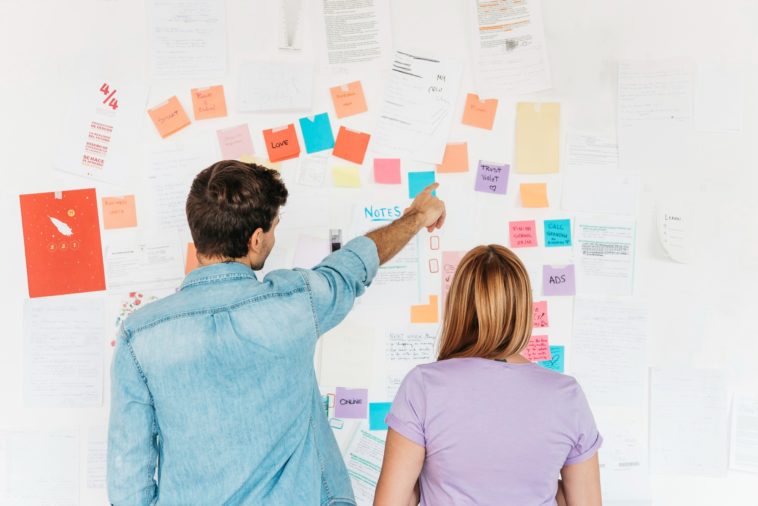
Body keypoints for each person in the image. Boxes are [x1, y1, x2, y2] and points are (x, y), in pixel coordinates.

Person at [107, 160, 446, 505]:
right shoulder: (296, 302)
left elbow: (128, 484)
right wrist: (416, 217)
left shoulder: (140, 335)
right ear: (256, 239)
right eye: (273, 227)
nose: (273, 235)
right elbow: (352, 267)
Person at [374, 245, 602, 506]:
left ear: (457, 307)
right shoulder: (566, 395)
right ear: (524, 310)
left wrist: (429, 483)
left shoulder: (423, 385)